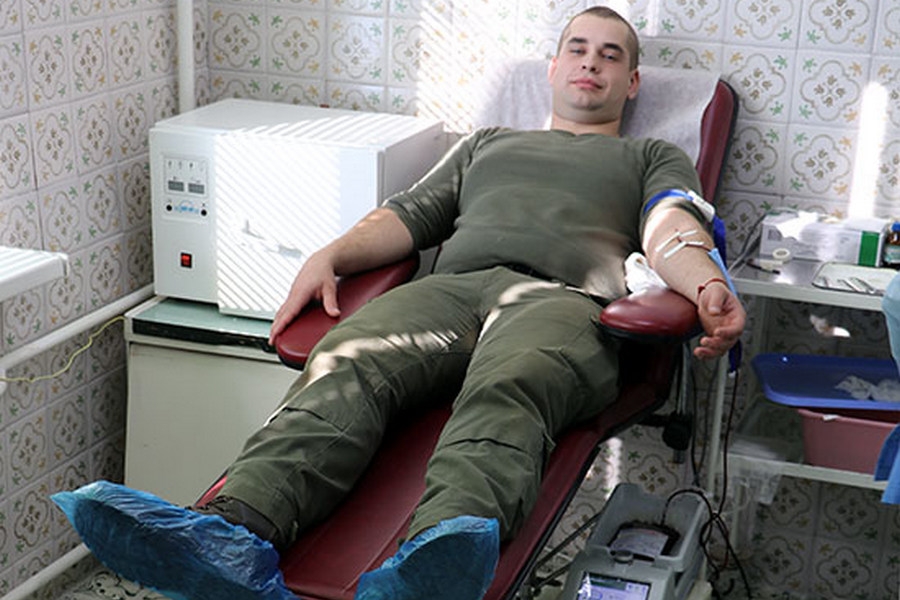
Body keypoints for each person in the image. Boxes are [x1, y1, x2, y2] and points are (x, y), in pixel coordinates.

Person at [53, 6, 745, 600]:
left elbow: (672, 228)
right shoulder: (488, 145)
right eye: (578, 48)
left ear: (633, 82)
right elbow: (408, 215)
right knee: (348, 361)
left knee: (513, 382)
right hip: (451, 290)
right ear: (553, 67)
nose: (591, 63)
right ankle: (233, 534)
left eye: (611, 55)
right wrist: (330, 255)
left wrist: (706, 284)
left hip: (561, 300)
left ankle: (435, 560)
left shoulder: (649, 156)